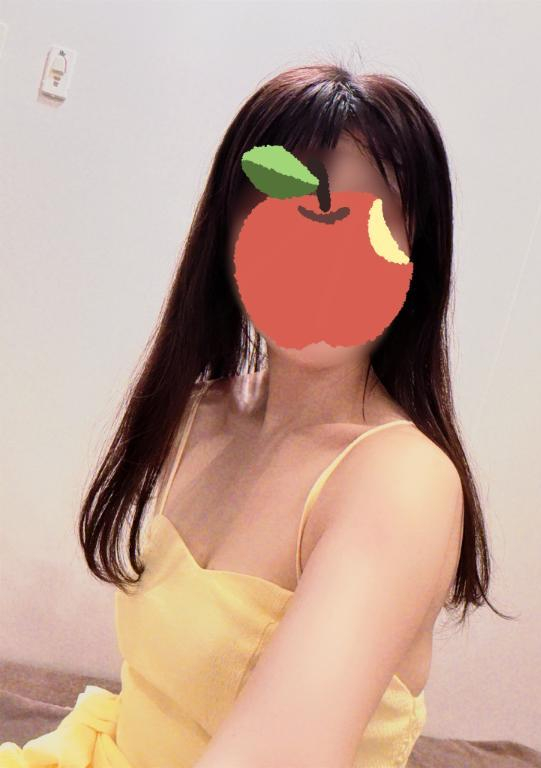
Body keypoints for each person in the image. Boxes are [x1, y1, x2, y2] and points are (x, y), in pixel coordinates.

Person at [0, 62, 512, 768]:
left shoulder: (404, 483)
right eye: (286, 201)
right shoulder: (202, 410)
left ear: (412, 250)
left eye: (365, 214)